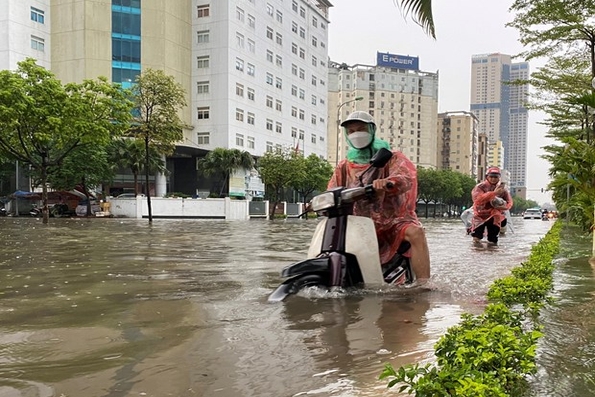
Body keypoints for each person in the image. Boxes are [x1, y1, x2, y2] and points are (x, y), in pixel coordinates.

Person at [327, 111, 431, 285]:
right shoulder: (344, 165)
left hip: (393, 222)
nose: (356, 134)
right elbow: (331, 190)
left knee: (416, 232)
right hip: (357, 223)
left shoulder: (391, 157)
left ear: (372, 130)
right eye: (351, 131)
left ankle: (424, 285)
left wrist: (389, 182)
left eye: (360, 129)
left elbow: (407, 178)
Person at [469, 167, 513, 246]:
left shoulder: (502, 189)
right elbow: (478, 199)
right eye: (491, 176)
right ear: (487, 177)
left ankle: (492, 254)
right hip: (480, 215)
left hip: (494, 217)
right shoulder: (480, 187)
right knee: (476, 238)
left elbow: (509, 202)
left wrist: (503, 206)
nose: (493, 179)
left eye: (495, 177)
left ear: (499, 178)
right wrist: (494, 193)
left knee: (493, 240)